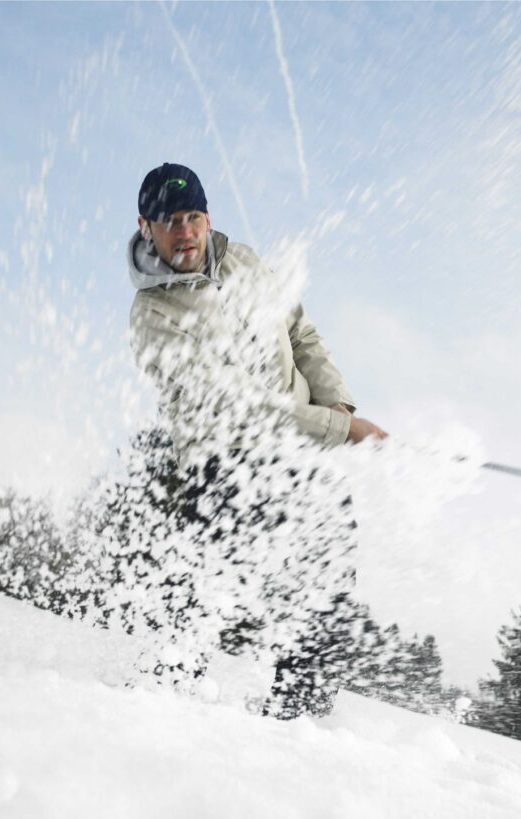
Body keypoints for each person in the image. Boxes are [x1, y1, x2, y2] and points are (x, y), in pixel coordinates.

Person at [127, 162, 387, 717]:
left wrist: (336, 399)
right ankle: (158, 705)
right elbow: (237, 406)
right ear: (146, 227)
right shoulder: (153, 315)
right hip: (222, 466)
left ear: (208, 217)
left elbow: (298, 329)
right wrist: (342, 429)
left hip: (297, 454)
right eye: (171, 221)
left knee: (326, 575)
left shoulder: (241, 259)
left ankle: (298, 713)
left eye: (194, 216)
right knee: (201, 595)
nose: (186, 232)